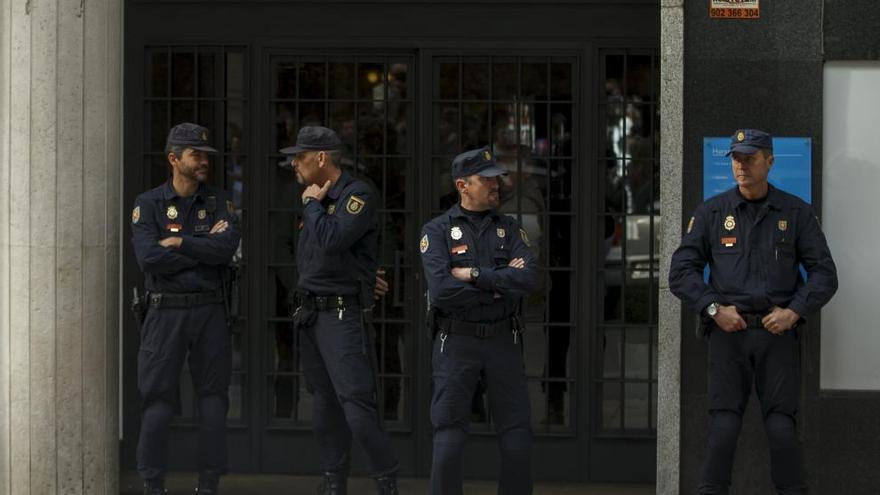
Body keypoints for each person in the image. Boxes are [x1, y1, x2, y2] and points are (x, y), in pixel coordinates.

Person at [669, 129, 838, 494]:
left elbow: (825, 274)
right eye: (735, 158)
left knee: (781, 430)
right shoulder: (713, 213)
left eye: (749, 157)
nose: (741, 165)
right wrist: (714, 308)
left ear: (769, 161)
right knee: (723, 429)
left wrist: (793, 312)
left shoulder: (795, 212)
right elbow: (680, 272)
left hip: (777, 335)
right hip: (728, 335)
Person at [283, 126, 399, 495]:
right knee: (323, 406)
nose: (293, 163)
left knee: (356, 407)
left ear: (321, 158)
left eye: (299, 156)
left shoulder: (356, 194)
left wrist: (312, 205)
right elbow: (306, 258)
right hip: (311, 314)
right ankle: (334, 480)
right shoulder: (310, 198)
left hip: (340, 315)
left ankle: (386, 479)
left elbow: (334, 240)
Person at [420, 146, 538, 495]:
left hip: (503, 340)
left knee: (517, 440)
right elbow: (441, 291)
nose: (495, 185)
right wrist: (500, 284)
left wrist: (473, 274)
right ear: (462, 185)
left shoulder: (510, 229)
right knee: (449, 442)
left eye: (496, 178)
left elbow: (528, 279)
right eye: (485, 179)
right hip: (457, 341)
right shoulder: (438, 231)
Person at [131, 123, 241, 495]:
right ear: (173, 159)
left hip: (210, 311)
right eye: (196, 154)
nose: (204, 161)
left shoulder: (219, 202)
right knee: (157, 400)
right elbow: (148, 258)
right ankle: (153, 482)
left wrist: (178, 242)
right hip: (165, 313)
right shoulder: (149, 203)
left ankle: (208, 483)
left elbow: (224, 251)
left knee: (213, 401)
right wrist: (198, 247)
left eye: (206, 154)